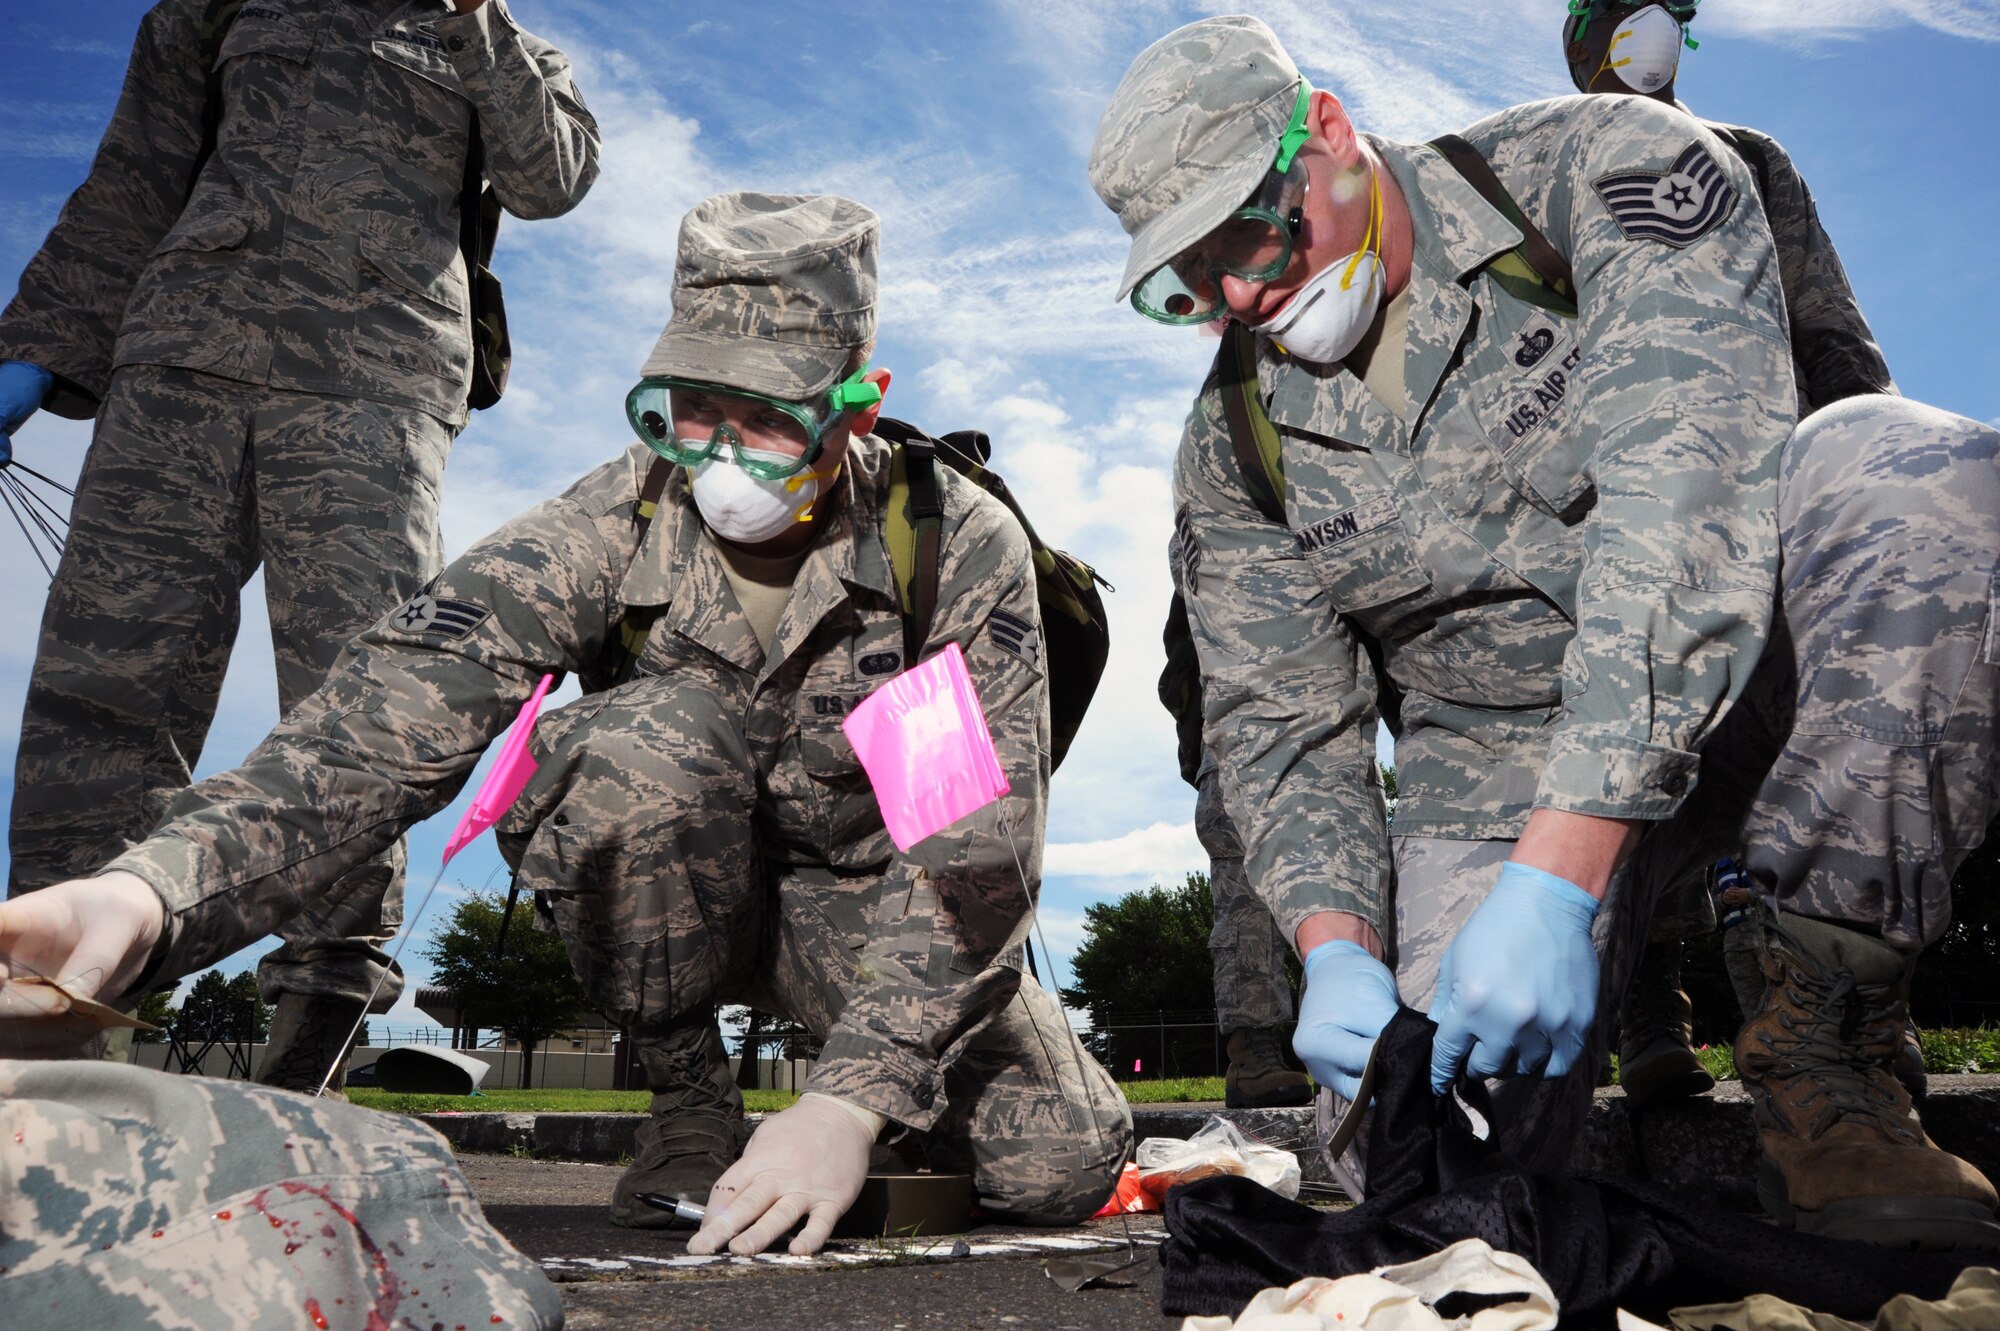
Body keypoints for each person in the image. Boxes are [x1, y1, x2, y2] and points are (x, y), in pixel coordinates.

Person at [0, 190, 1132, 1256]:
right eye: (691, 409)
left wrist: (852, 1096)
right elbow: (374, 728)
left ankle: (841, 1132)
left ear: (857, 404)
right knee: (642, 749)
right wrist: (147, 892)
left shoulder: (944, 545)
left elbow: (967, 858)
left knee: (1056, 1159)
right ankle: (691, 1102)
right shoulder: (607, 520)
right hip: (664, 890)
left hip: (864, 907)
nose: (720, 457)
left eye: (768, 420)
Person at [1089, 15, 2000, 1249]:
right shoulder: (1232, 446)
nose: (1241, 294)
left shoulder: (1600, 175)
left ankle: (1823, 1052)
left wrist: (1555, 880)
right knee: (1427, 1165)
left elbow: (1682, 503)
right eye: (1189, 282)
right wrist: (1334, 945)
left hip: (1768, 696)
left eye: (1254, 231)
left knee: (1916, 482)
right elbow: (1278, 719)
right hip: (1500, 764)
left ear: (1331, 134)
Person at [0, 0, 599, 1091]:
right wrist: (36, 347)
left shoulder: (488, 31)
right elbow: (133, 179)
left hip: (375, 380)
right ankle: (50, 986)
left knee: (358, 688)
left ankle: (327, 978)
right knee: (106, 669)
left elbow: (550, 174)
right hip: (182, 355)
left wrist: (477, 20)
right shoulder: (211, 7)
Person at [1559, 0, 1908, 1112]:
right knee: (1630, 768)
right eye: (1619, 11)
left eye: (1664, 9)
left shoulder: (1750, 165)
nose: (1646, 28)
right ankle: (1645, 1008)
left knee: (1797, 761)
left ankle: (1827, 1007)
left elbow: (1833, 335)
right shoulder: (1536, 188)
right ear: (1578, 43)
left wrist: (1863, 474)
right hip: (1615, 525)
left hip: (1767, 504)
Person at [1161, 568, 1311, 1108]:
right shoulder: (1215, 524)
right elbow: (1182, 652)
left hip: (1322, 719)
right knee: (1247, 893)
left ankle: (1353, 1039)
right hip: (1233, 729)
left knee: (1351, 875)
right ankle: (1254, 1049)